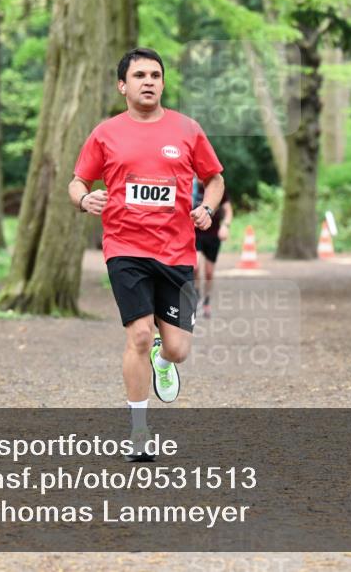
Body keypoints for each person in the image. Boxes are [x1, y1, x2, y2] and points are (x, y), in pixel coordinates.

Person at [69, 48, 225, 460]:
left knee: (177, 350)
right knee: (138, 334)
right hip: (125, 248)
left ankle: (163, 357)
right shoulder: (106, 133)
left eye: (155, 74)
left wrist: (207, 208)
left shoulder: (187, 130)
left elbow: (215, 179)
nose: (149, 81)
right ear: (123, 85)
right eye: (139, 75)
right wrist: (85, 200)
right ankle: (139, 433)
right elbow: (76, 181)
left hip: (176, 252)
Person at [192, 178, 233, 318]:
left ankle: (207, 301)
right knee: (195, 267)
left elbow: (228, 211)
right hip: (194, 234)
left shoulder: (216, 186)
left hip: (212, 235)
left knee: (209, 273)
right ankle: (196, 296)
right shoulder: (190, 188)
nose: (197, 175)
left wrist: (225, 226)